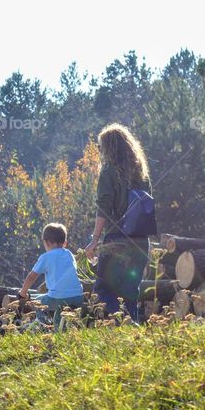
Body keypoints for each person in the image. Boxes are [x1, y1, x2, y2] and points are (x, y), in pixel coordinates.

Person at [84, 123, 153, 321]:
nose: (99, 151)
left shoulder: (108, 170)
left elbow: (104, 207)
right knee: (130, 290)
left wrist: (95, 239)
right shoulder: (142, 172)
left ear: (108, 148)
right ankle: (132, 329)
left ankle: (123, 324)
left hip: (117, 239)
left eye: (100, 147)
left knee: (104, 289)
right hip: (141, 240)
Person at [19, 223, 84, 330]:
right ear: (65, 243)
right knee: (60, 315)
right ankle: (63, 329)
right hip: (78, 296)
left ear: (47, 242)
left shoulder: (46, 257)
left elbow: (32, 276)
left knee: (36, 302)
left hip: (58, 298)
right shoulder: (69, 254)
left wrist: (23, 293)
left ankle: (42, 325)